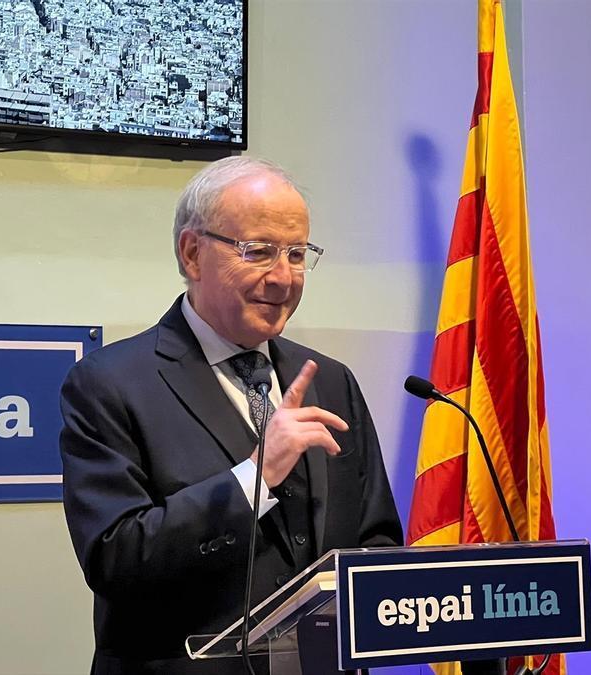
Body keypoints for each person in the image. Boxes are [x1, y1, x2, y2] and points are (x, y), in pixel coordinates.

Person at [59, 156, 403, 674]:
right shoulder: (109, 383)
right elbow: (116, 560)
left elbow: (375, 539)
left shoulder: (331, 381)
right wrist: (255, 478)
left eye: (296, 254)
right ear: (193, 254)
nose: (284, 277)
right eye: (260, 252)